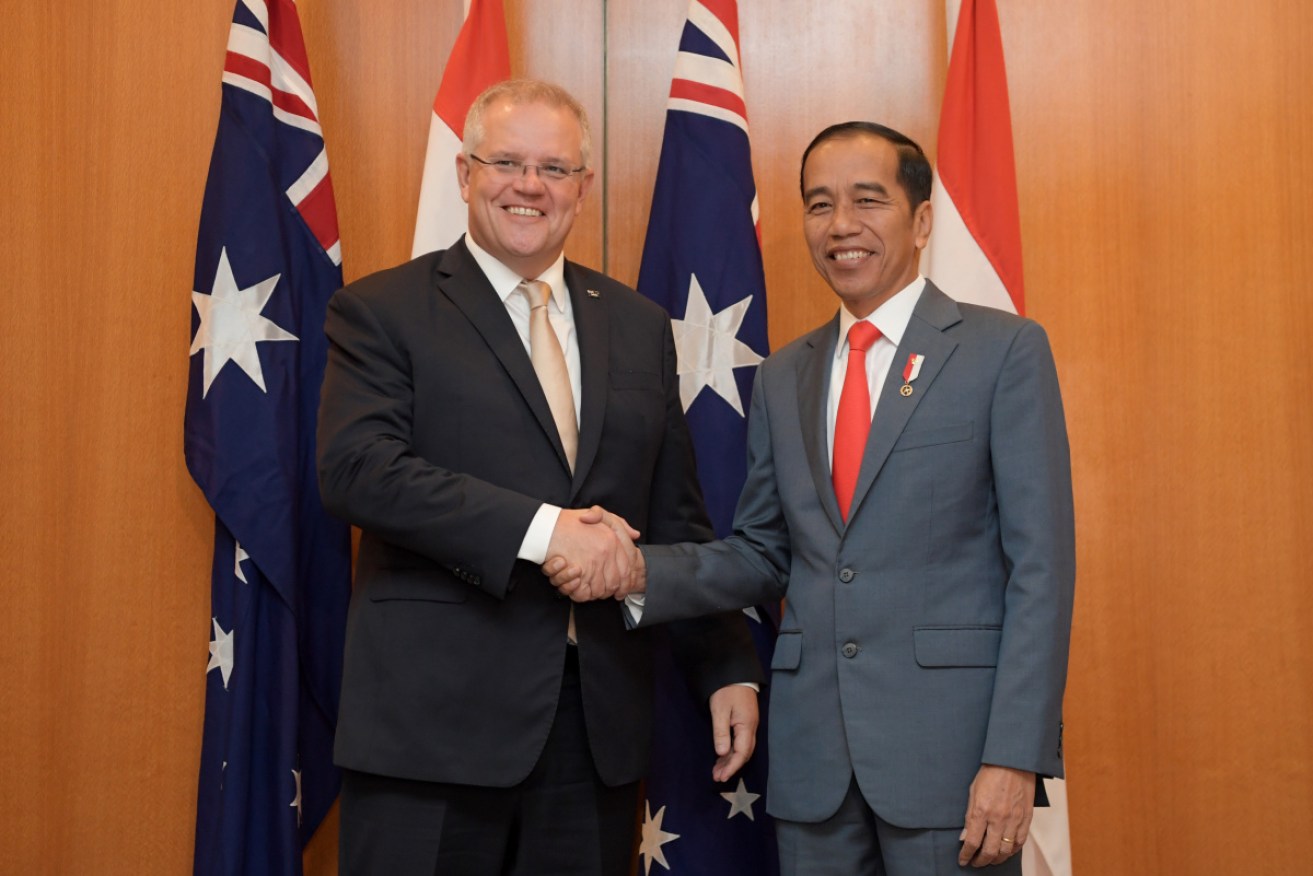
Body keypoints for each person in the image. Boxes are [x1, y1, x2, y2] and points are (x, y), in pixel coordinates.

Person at [547, 122, 1076, 875]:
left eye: (868, 200)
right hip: (814, 772)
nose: (841, 226)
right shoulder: (785, 373)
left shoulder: (1003, 352)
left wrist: (1013, 758)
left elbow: (1041, 574)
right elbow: (764, 552)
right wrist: (637, 571)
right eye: (819, 204)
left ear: (921, 220)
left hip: (952, 765)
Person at [316, 79, 762, 876]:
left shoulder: (636, 324)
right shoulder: (382, 309)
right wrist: (542, 530)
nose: (530, 186)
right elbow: (358, 471)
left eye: (554, 169)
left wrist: (725, 662)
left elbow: (675, 514)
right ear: (464, 172)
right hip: (431, 737)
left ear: (582, 189)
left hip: (591, 734)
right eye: (507, 163)